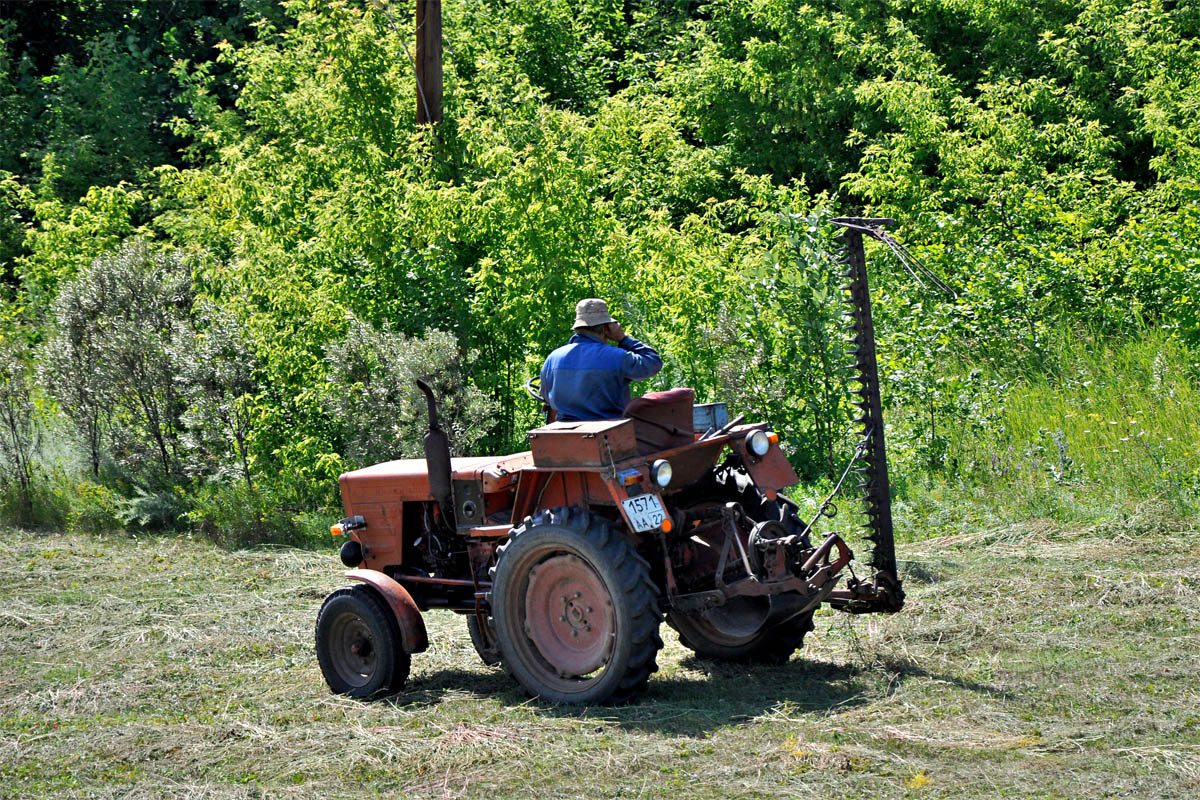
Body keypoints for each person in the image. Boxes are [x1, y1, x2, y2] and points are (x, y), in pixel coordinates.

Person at [540, 298, 663, 422]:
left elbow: (546, 396)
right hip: (608, 432)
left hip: (565, 432)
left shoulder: (553, 358)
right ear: (606, 328)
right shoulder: (617, 357)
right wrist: (623, 339)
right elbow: (653, 362)